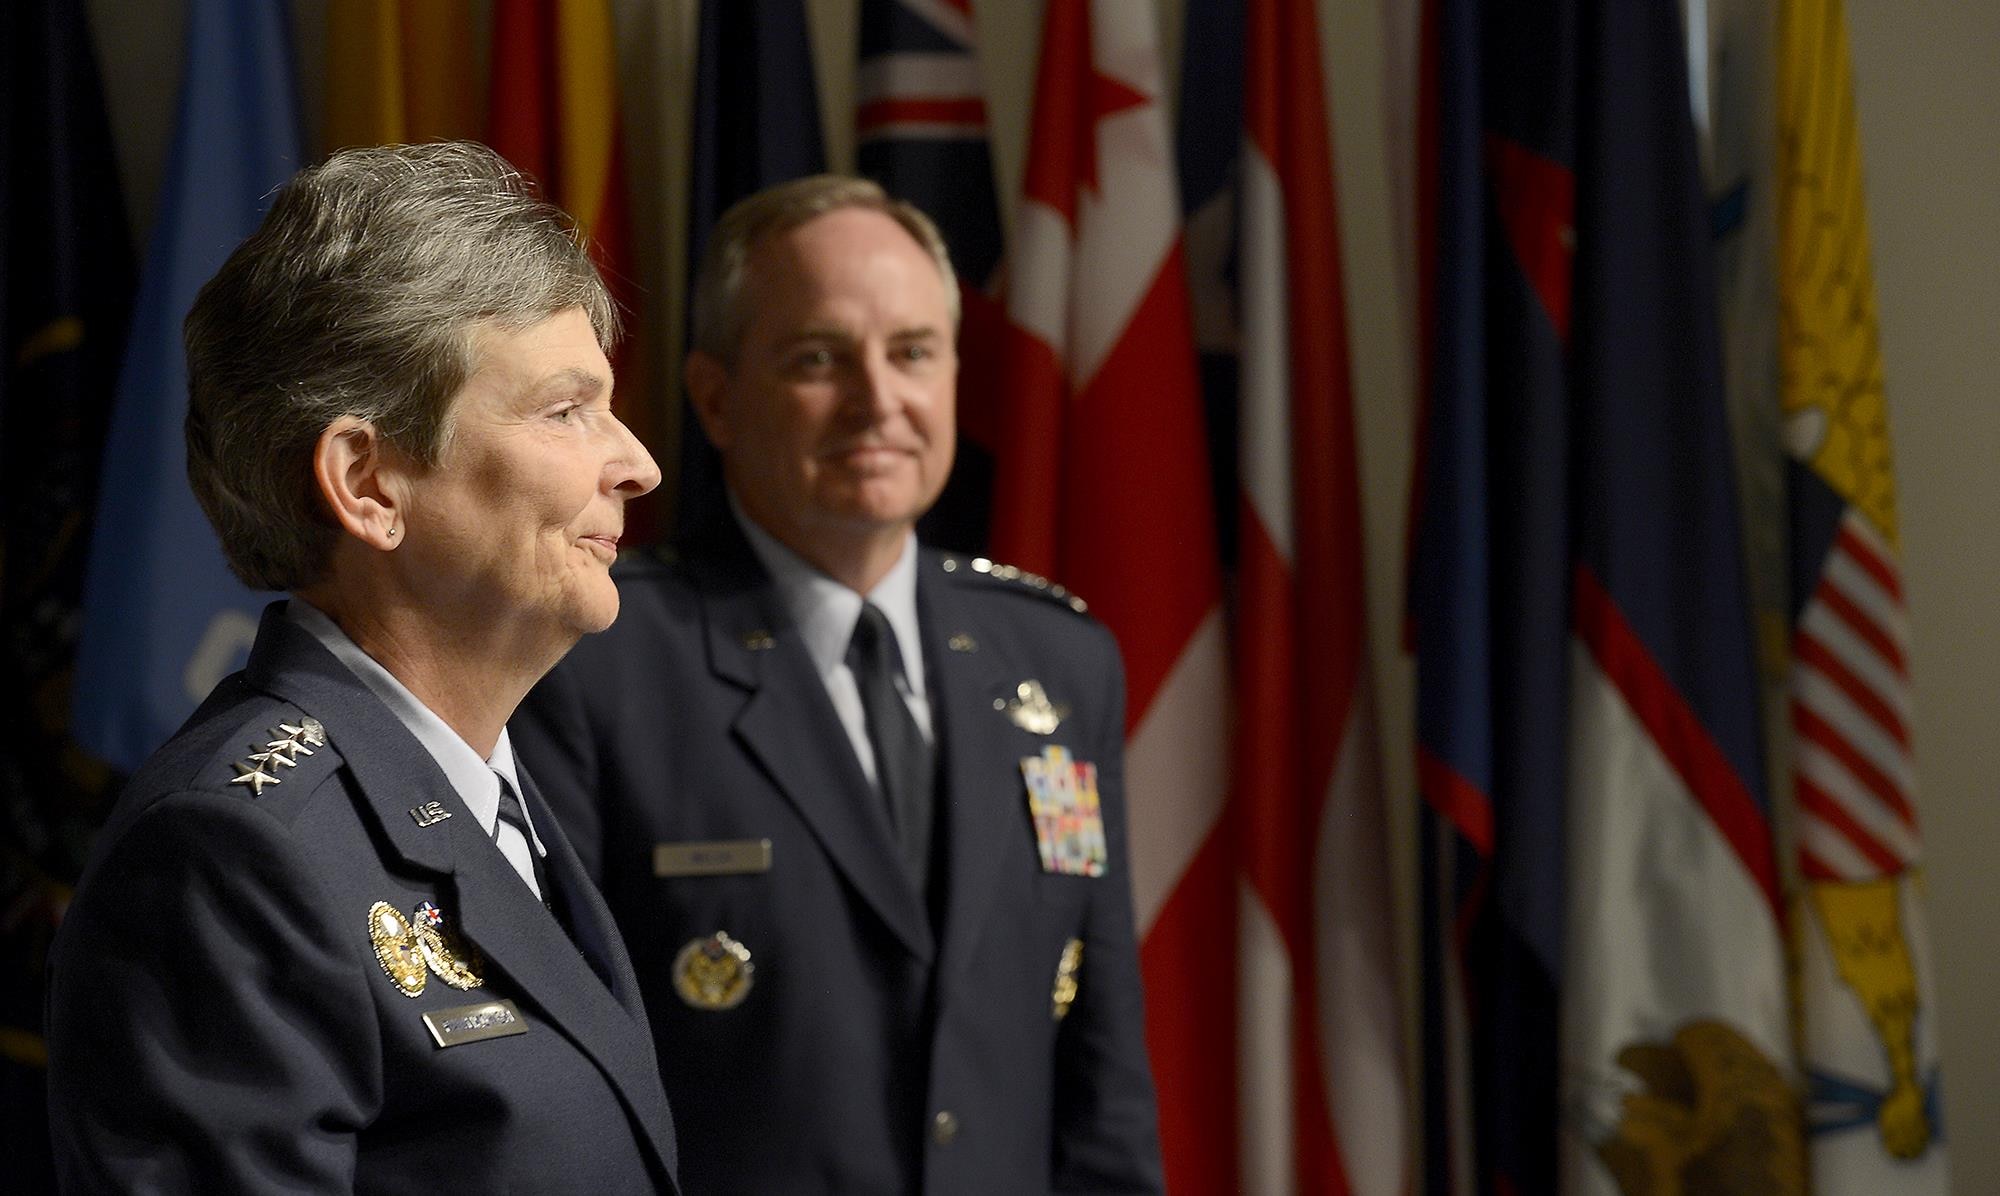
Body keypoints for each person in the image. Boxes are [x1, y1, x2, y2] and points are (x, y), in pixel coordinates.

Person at [45, 142, 679, 1192]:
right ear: (367, 481)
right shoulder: (233, 853)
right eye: (566, 410)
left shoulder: (491, 797)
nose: (637, 462)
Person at [511, 175, 1164, 1194]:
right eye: (818, 358)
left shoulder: (1055, 661)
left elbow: (1102, 1074)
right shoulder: (598, 662)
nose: (879, 401)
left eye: (912, 353)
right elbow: (558, 1090)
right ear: (715, 397)